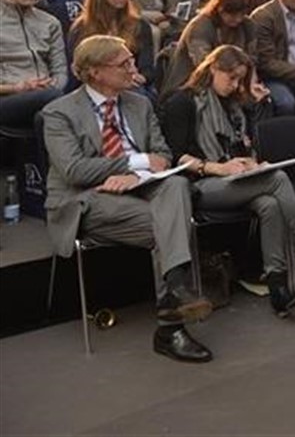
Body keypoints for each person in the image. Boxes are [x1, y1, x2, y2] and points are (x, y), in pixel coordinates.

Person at [42, 35, 213, 363]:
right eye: (123, 64)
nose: (133, 69)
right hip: (88, 197)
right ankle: (172, 321)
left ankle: (174, 299)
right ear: (95, 72)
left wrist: (136, 177)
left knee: (176, 186)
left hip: (141, 187)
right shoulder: (59, 113)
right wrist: (135, 162)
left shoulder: (139, 103)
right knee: (168, 224)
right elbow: (75, 170)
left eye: (132, 61)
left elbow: (163, 155)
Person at [160, 45, 295, 316]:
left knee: (270, 204)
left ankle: (278, 287)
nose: (235, 85)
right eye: (231, 77)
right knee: (277, 179)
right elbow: (176, 157)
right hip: (197, 184)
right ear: (213, 68)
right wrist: (217, 168)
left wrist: (251, 163)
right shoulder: (182, 102)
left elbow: (241, 148)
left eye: (240, 79)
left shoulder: (231, 104)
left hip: (231, 180)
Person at [68, 0, 157, 92]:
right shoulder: (81, 28)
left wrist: (141, 77)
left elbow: (147, 69)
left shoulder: (139, 25)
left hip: (131, 86)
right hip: (94, 87)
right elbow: (78, 70)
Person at [0, 0, 67, 125]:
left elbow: (60, 69)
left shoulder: (50, 22)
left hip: (48, 94)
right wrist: (17, 87)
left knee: (46, 115)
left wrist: (54, 86)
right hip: (7, 97)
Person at [162, 0, 258, 92]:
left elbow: (251, 61)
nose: (238, 19)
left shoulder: (247, 26)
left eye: (242, 14)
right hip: (191, 87)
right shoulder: (200, 27)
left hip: (233, 84)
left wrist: (250, 86)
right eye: (232, 14)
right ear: (220, 8)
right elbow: (204, 68)